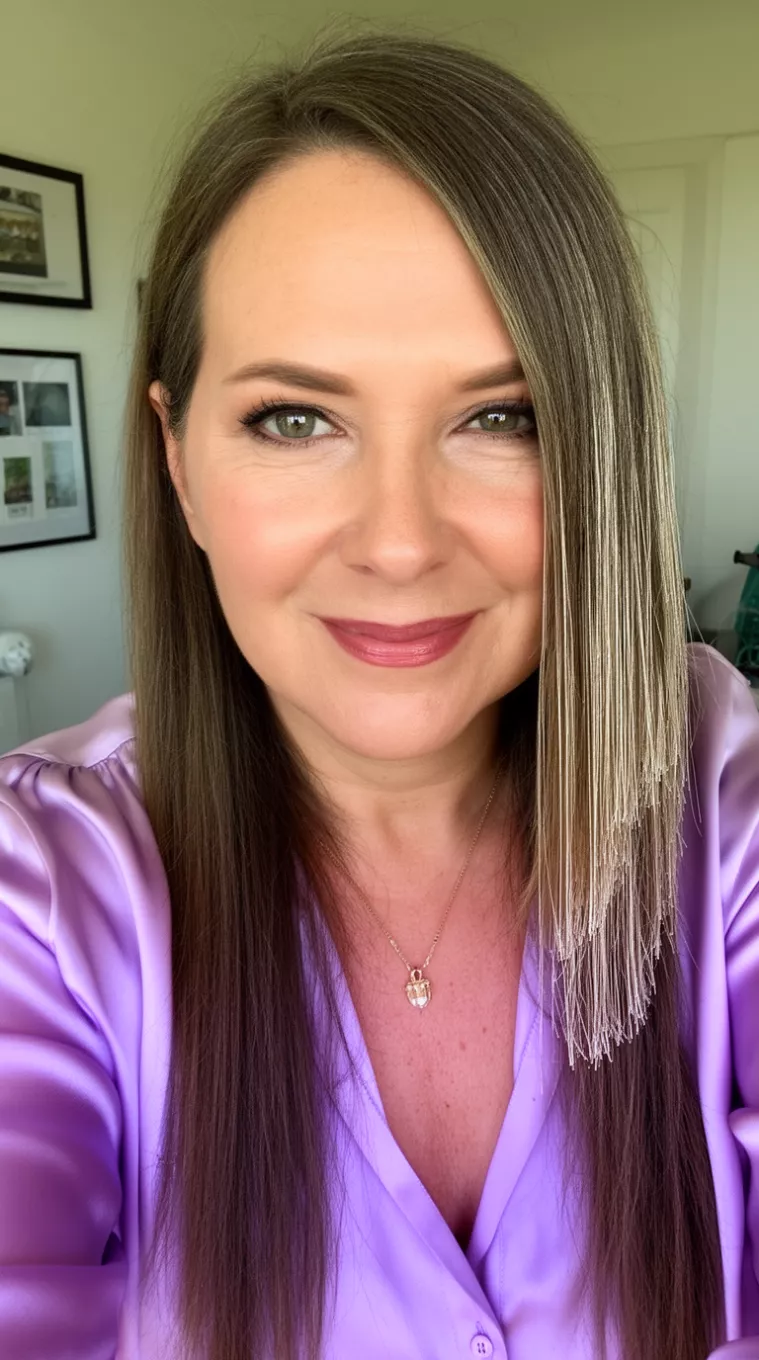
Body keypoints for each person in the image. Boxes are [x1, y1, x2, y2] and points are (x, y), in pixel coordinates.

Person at [0, 27, 757, 1360]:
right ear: (177, 462)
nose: (399, 542)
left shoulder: (722, 787)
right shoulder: (39, 893)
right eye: (297, 420)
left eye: (501, 416)